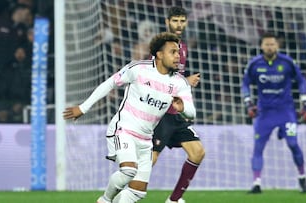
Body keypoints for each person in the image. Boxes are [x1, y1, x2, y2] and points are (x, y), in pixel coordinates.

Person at [63, 32, 196, 203]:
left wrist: (183, 108)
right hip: (123, 129)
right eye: (173, 52)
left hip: (146, 139)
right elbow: (110, 83)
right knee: (128, 171)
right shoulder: (138, 69)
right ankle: (105, 200)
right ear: (160, 54)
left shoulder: (180, 83)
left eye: (178, 52)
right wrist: (83, 108)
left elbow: (191, 112)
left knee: (137, 192)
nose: (178, 56)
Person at [241, 32, 306, 194]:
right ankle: (256, 183)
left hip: (286, 112)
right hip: (264, 113)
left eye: (272, 44)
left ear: (277, 45)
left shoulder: (287, 62)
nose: (270, 47)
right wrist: (248, 103)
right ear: (261, 46)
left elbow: (301, 80)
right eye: (267, 44)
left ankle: (302, 177)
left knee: (293, 143)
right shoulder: (254, 64)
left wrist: (305, 103)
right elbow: (245, 84)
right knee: (258, 147)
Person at [154, 7, 204, 203]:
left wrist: (184, 82)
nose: (179, 25)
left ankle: (173, 200)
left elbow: (174, 76)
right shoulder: (161, 47)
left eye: (182, 21)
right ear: (167, 22)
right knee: (149, 161)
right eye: (175, 20)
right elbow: (158, 77)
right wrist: (185, 82)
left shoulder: (182, 47)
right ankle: (113, 196)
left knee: (197, 152)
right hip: (160, 112)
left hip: (175, 112)